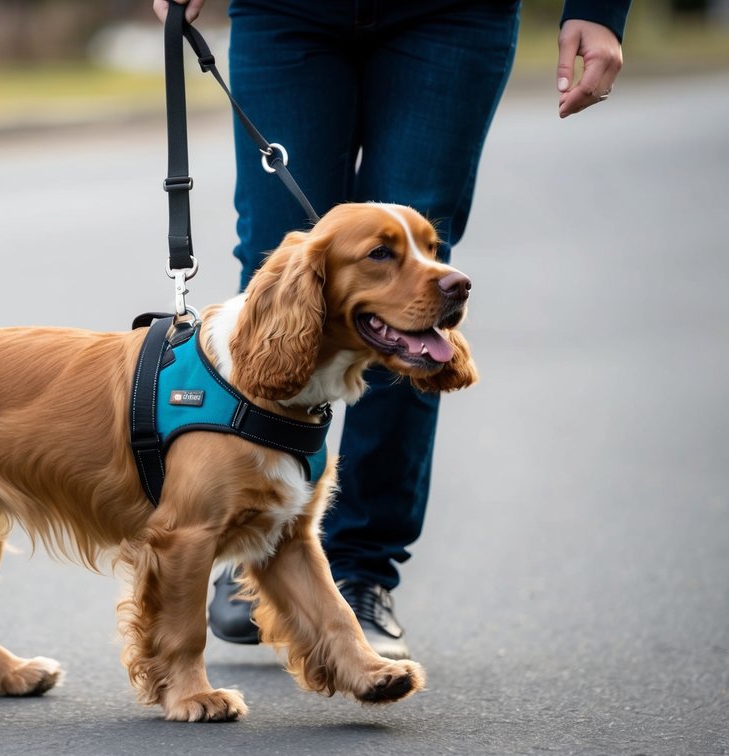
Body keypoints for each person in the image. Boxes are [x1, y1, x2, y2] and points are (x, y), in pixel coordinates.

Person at [154, 0, 629, 658]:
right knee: (279, 258)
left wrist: (598, 8)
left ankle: (358, 572)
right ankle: (249, 533)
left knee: (415, 283)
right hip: (284, 10)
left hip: (450, 16)